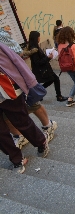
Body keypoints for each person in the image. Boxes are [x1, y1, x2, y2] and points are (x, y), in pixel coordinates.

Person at [0, 43, 50, 173]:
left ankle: (41, 142)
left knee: (21, 121)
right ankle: (17, 159)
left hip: (7, 91)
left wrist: (30, 82)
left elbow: (16, 60)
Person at [27, 31, 67, 102]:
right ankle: (58, 96)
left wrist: (48, 56)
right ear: (36, 38)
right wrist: (48, 57)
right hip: (42, 70)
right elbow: (38, 62)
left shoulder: (35, 47)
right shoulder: (34, 49)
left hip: (44, 68)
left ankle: (41, 91)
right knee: (55, 79)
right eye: (38, 37)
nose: (39, 38)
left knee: (53, 79)